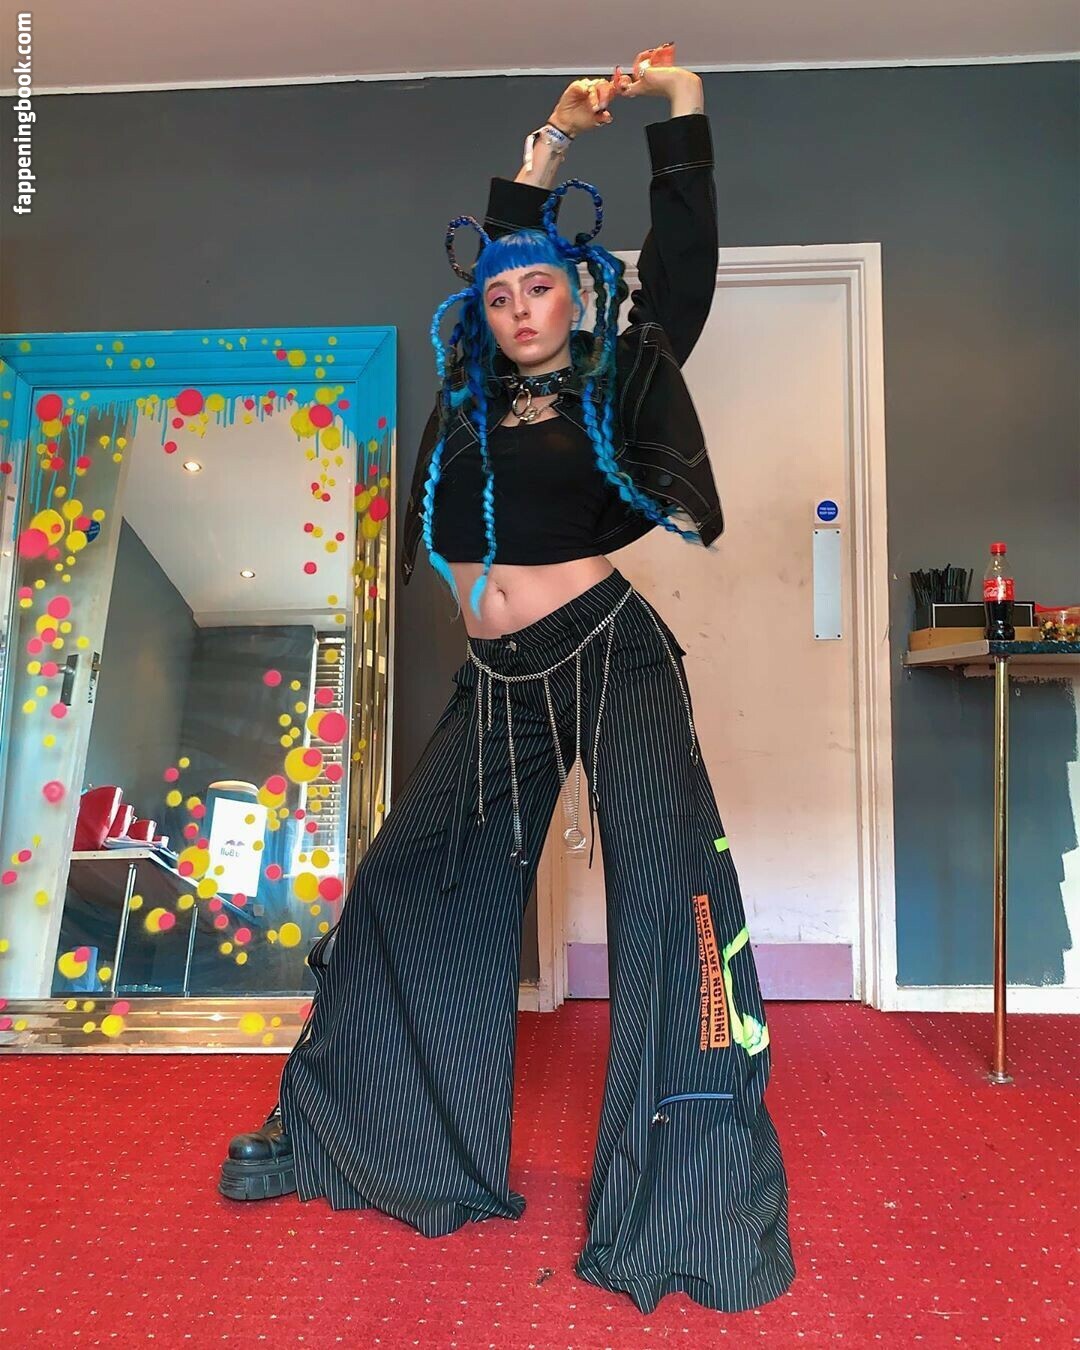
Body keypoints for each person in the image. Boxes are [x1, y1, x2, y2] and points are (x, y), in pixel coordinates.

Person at [219, 49, 796, 1315]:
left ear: (574, 296)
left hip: (607, 653)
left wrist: (681, 110)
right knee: (410, 880)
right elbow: (500, 248)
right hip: (497, 681)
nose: (521, 307)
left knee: (671, 908)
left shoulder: (612, 377)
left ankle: (688, 1197)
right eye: (499, 294)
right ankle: (346, 1134)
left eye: (541, 287)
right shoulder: (473, 401)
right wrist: (549, 139)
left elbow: (683, 272)